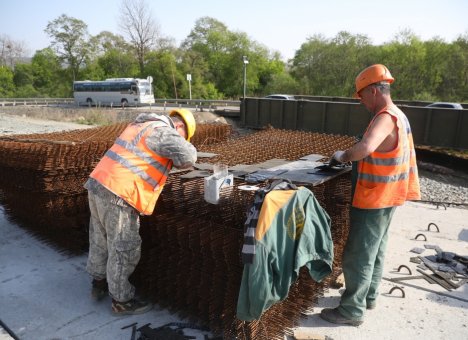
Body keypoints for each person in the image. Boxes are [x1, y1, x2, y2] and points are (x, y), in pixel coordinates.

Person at [320, 64, 420, 326]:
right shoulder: (400, 115)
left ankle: (351, 311)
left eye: (362, 96)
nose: (361, 101)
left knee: (358, 254)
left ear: (374, 91)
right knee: (376, 248)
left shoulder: (385, 117)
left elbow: (366, 147)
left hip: (374, 197)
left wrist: (342, 156)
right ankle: (369, 296)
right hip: (389, 194)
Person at [84, 109, 197, 316]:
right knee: (124, 247)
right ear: (180, 126)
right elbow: (188, 156)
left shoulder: (140, 125)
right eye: (184, 136)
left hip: (98, 184)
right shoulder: (163, 131)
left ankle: (98, 283)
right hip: (120, 193)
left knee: (99, 238)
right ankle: (121, 301)